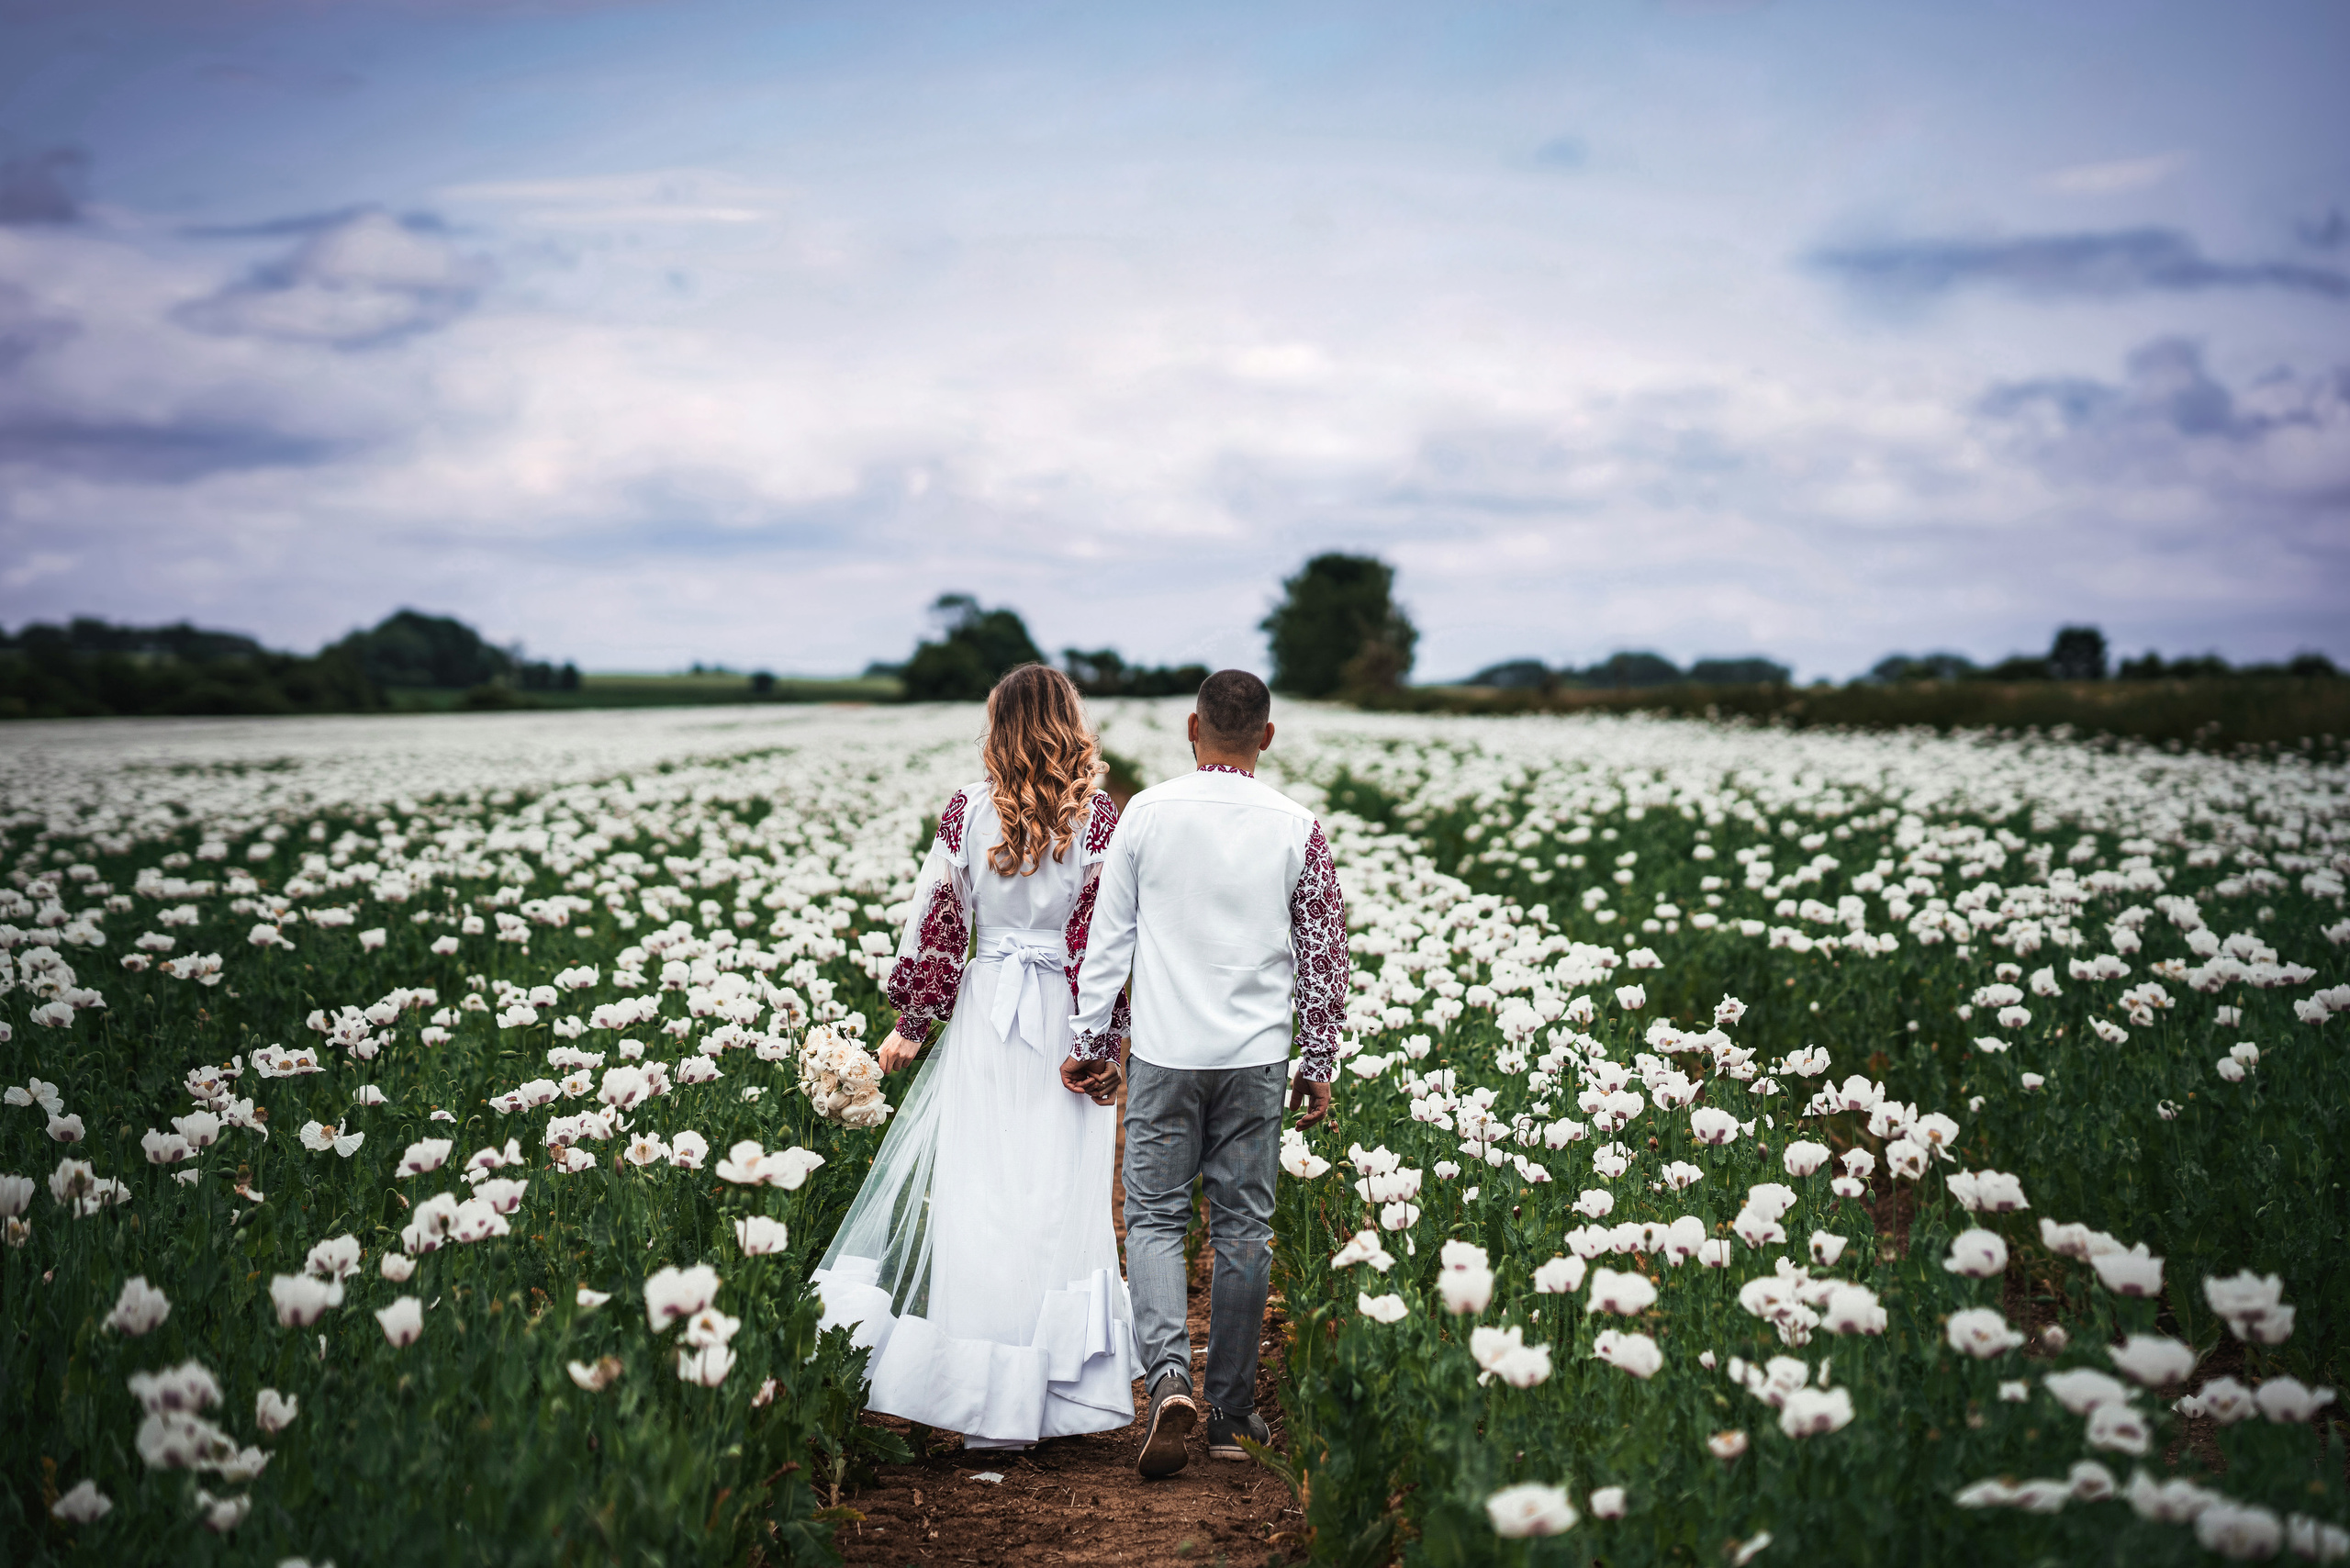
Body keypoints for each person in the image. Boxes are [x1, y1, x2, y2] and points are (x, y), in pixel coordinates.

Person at [811, 664, 1139, 1450]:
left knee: (981, 1194)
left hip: (986, 1015)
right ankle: (1056, 1396)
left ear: (998, 724)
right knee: (1060, 1199)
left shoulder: (967, 810)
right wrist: (1102, 1045)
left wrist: (912, 1026)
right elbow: (1106, 945)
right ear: (1072, 721)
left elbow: (938, 924)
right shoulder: (1100, 819)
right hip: (1065, 1016)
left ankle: (979, 1398)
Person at [1067, 667, 1344, 1479]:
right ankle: (1228, 1413)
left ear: (1193, 730)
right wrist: (1318, 1057)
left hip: (1164, 1048)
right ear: (1266, 735)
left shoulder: (1146, 814)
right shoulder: (1298, 825)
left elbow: (1107, 940)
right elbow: (1323, 954)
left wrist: (1092, 1040)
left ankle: (1167, 1384)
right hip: (1256, 1056)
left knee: (1153, 1219)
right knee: (1243, 1229)